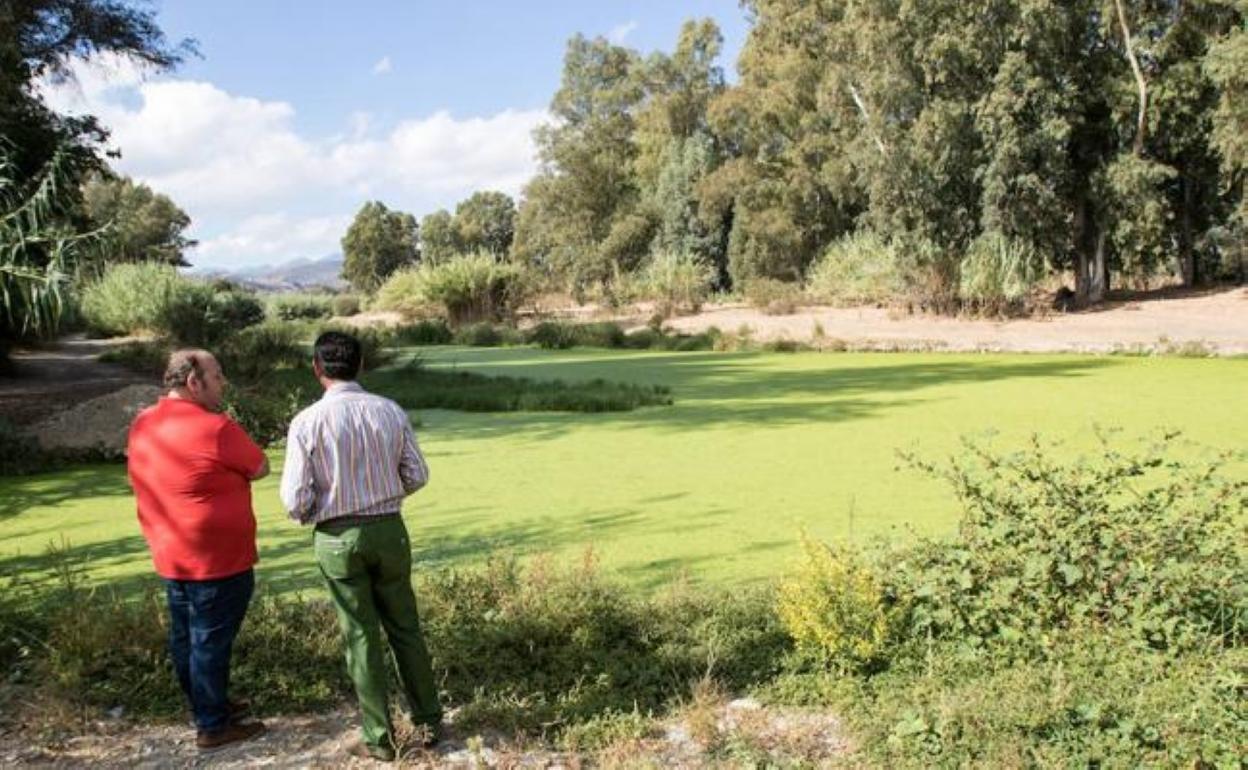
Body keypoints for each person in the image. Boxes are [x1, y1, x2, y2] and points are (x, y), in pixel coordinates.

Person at [280, 331, 441, 762]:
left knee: (360, 636)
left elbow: (295, 498)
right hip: (389, 529)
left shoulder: (306, 422)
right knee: (405, 627)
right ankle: (429, 723)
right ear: (361, 365)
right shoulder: (389, 411)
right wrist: (387, 492)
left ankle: (380, 738)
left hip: (336, 536)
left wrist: (319, 509)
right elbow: (418, 474)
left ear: (317, 369)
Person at [126, 349, 268, 752]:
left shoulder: (142, 423)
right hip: (217, 559)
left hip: (170, 552)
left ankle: (209, 704)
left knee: (186, 638)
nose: (223, 384)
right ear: (194, 382)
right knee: (210, 640)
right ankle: (212, 725)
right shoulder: (216, 427)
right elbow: (260, 467)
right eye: (218, 376)